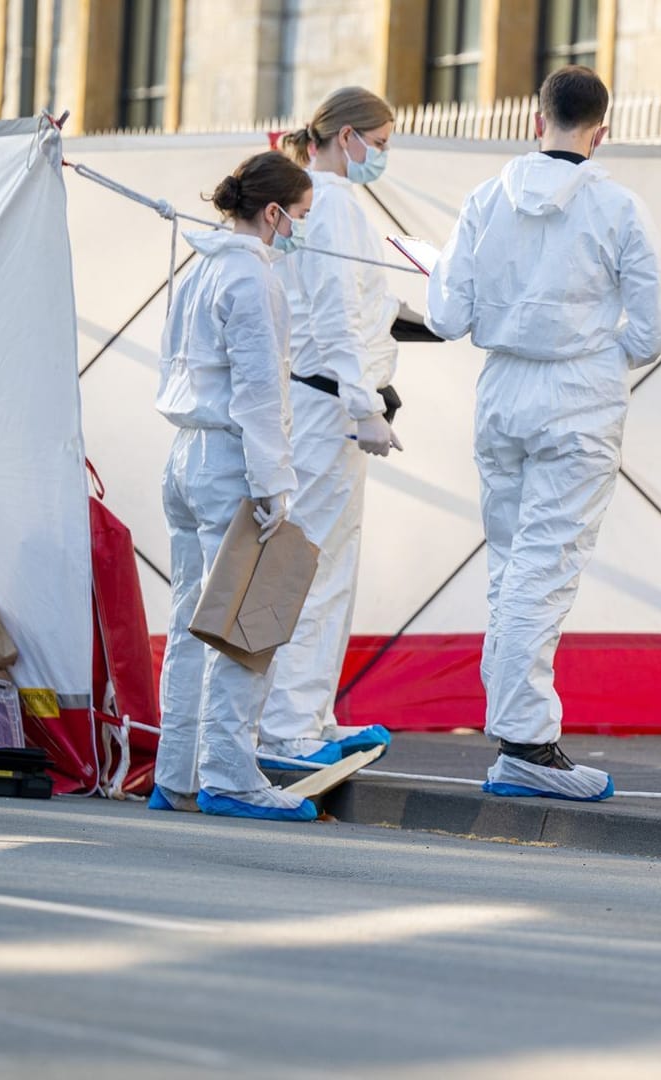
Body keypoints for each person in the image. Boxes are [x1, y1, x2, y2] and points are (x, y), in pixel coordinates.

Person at [425, 65, 661, 801]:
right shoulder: (619, 206)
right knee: (546, 563)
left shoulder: (483, 199)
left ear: (536, 121)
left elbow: (444, 317)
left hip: (501, 388)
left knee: (511, 564)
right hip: (579, 393)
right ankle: (526, 741)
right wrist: (599, 357)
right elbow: (652, 330)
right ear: (602, 133)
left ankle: (515, 735)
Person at [150, 151, 320, 822]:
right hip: (230, 464)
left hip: (184, 457)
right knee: (248, 623)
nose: (300, 232)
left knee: (192, 622)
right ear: (274, 213)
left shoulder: (201, 268)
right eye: (300, 217)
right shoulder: (253, 280)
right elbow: (258, 389)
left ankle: (179, 773)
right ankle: (230, 775)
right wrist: (273, 481)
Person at [258, 87, 403, 770]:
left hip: (319, 400)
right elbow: (336, 309)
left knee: (326, 561)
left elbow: (349, 303)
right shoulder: (335, 203)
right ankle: (291, 722)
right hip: (328, 407)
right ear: (346, 137)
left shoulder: (317, 201)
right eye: (379, 143)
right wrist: (362, 402)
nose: (382, 156)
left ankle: (310, 712)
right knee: (316, 565)